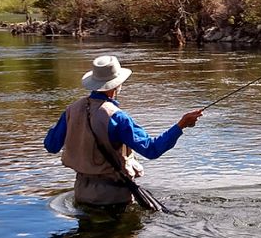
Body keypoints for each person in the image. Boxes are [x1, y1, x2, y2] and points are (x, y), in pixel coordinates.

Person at [44, 55, 203, 206]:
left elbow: (51, 146)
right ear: (116, 85)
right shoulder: (117, 117)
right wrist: (181, 125)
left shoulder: (71, 110)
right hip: (113, 197)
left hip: (81, 193)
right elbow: (152, 150)